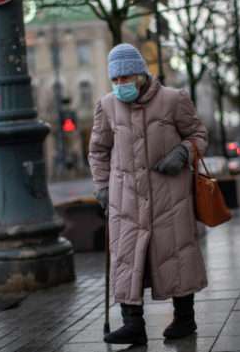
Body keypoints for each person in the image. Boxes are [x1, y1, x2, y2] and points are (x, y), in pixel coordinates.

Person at [89, 43, 208, 345]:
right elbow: (98, 151)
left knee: (175, 252)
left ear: (140, 74)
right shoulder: (106, 106)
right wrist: (102, 187)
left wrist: (182, 153)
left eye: (126, 78)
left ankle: (185, 318)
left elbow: (199, 135)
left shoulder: (173, 100)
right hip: (125, 198)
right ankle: (133, 324)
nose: (120, 85)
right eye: (115, 80)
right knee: (127, 257)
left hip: (169, 195)